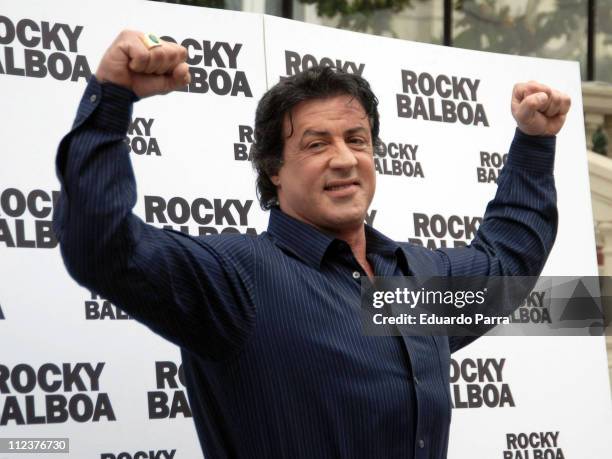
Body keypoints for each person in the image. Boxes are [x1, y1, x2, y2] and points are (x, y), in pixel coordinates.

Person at [53, 30, 571, 458]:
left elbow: (505, 263)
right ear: (273, 169)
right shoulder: (237, 281)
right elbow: (103, 248)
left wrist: (534, 140)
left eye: (357, 139)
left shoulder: (412, 279)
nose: (344, 159)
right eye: (317, 144)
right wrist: (112, 99)